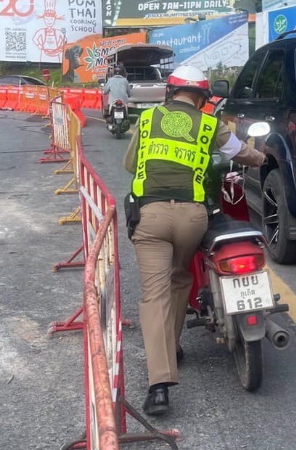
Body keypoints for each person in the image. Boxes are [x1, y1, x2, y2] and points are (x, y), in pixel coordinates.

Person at [123, 65, 266, 416]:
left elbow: (130, 165)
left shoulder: (147, 118)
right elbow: (240, 153)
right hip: (193, 218)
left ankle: (159, 386)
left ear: (171, 93)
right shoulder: (210, 124)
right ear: (203, 97)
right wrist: (262, 156)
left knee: (154, 296)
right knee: (181, 275)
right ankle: (174, 343)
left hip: (151, 217)